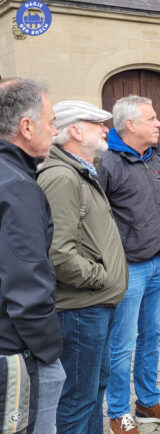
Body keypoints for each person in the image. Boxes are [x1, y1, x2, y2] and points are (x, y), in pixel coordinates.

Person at [97, 95, 160, 434]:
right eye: (151, 118)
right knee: (122, 344)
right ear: (130, 124)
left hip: (158, 264)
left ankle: (148, 401)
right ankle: (118, 411)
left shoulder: (154, 159)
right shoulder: (107, 163)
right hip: (128, 269)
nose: (159, 123)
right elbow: (96, 218)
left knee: (153, 336)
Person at [36, 101, 128, 434]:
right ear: (75, 130)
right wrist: (101, 279)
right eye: (98, 123)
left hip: (94, 305)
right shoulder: (62, 177)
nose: (107, 129)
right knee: (77, 401)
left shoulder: (81, 171)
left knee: (93, 391)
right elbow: (59, 253)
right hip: (80, 308)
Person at [0, 77, 65, 434]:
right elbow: (27, 285)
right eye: (52, 122)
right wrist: (49, 352)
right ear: (27, 126)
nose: (56, 132)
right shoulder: (18, 188)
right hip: (18, 353)